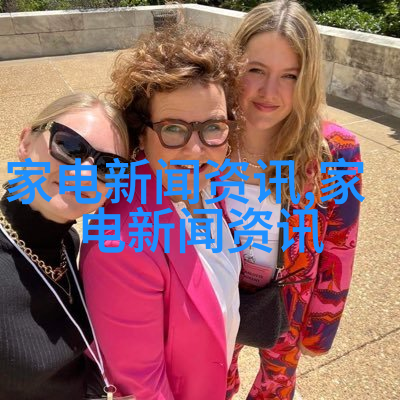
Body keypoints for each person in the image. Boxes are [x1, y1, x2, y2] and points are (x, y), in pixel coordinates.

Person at [79, 26, 242, 400]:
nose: (196, 150)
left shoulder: (207, 187)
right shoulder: (120, 245)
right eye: (173, 129)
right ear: (141, 134)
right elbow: (140, 386)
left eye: (212, 127)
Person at [225, 1, 363, 399]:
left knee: (277, 383)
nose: (270, 92)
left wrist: (322, 326)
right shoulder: (209, 137)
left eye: (290, 75)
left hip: (291, 299)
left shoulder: (334, 150)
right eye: (255, 70)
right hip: (217, 291)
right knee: (213, 374)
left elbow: (340, 243)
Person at [0, 92, 130, 400]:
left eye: (107, 167)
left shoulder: (69, 243)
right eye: (69, 146)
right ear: (25, 142)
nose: (84, 174)